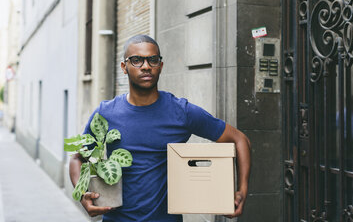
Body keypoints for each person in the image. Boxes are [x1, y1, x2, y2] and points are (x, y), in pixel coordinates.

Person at [69, 35, 251, 221]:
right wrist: (83, 194)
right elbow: (78, 158)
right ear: (124, 67)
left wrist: (242, 191)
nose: (146, 66)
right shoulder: (106, 113)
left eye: (153, 60)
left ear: (160, 66)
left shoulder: (181, 112)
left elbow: (240, 140)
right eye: (137, 60)